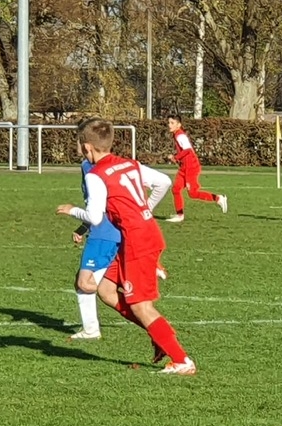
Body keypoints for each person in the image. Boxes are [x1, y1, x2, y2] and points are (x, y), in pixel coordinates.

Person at [57, 119, 195, 375]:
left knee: (140, 305)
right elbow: (164, 182)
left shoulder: (95, 175)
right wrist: (144, 210)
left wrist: (72, 210)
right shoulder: (129, 163)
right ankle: (160, 334)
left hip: (138, 240)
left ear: (87, 147)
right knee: (106, 290)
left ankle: (181, 360)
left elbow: (94, 217)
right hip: (139, 234)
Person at [68, 118, 172, 341]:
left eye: (77, 141)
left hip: (106, 231)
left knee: (86, 282)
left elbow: (99, 209)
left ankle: (151, 328)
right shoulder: (97, 165)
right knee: (98, 288)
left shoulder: (94, 169)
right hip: (116, 229)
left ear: (86, 145)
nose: (77, 146)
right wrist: (83, 227)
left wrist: (74, 213)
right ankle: (94, 328)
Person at [165, 114, 227, 222]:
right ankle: (179, 215)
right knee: (176, 189)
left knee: (192, 194)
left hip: (191, 167)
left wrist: (175, 157)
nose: (169, 125)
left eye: (172, 123)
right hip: (184, 167)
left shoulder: (180, 136)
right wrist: (178, 160)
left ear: (179, 125)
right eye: (169, 122)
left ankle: (218, 198)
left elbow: (188, 150)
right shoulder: (176, 135)